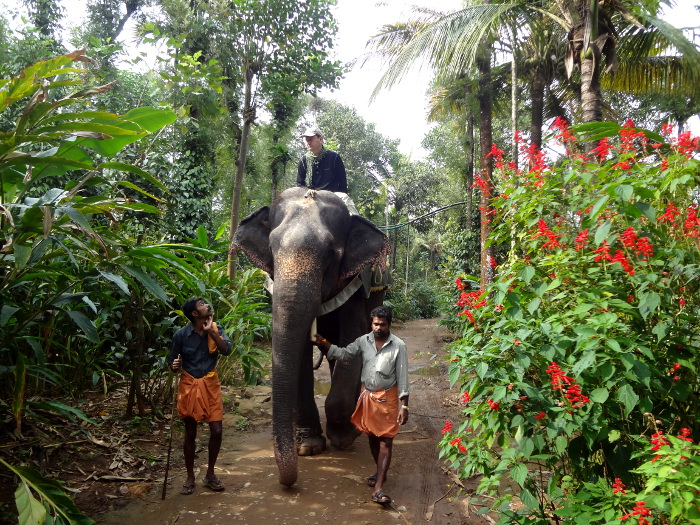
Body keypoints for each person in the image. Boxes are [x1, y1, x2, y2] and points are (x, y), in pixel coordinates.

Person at [312, 305, 409, 506]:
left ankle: (379, 487)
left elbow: (403, 377)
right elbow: (344, 354)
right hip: (369, 396)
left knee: (386, 440)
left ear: (389, 324)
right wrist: (323, 342)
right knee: (373, 437)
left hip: (388, 398)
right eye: (375, 324)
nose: (378, 328)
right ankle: (380, 472)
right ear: (371, 324)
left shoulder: (398, 345)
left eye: (382, 324)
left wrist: (404, 406)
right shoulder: (363, 342)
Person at [168, 297, 232, 495]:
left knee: (217, 431)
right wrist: (174, 366)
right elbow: (172, 361)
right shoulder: (181, 335)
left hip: (210, 383)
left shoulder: (216, 329)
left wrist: (212, 331)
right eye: (202, 304)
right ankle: (189, 476)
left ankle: (210, 474)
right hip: (189, 385)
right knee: (190, 433)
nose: (207, 305)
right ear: (195, 314)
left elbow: (226, 350)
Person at [297, 126, 358, 214]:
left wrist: (338, 201)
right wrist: (307, 191)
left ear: (320, 139)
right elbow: (300, 184)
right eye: (307, 140)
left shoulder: (334, 157)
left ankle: (358, 226)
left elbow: (342, 183)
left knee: (345, 197)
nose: (308, 142)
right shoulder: (303, 161)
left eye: (311, 139)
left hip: (332, 196)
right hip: (312, 196)